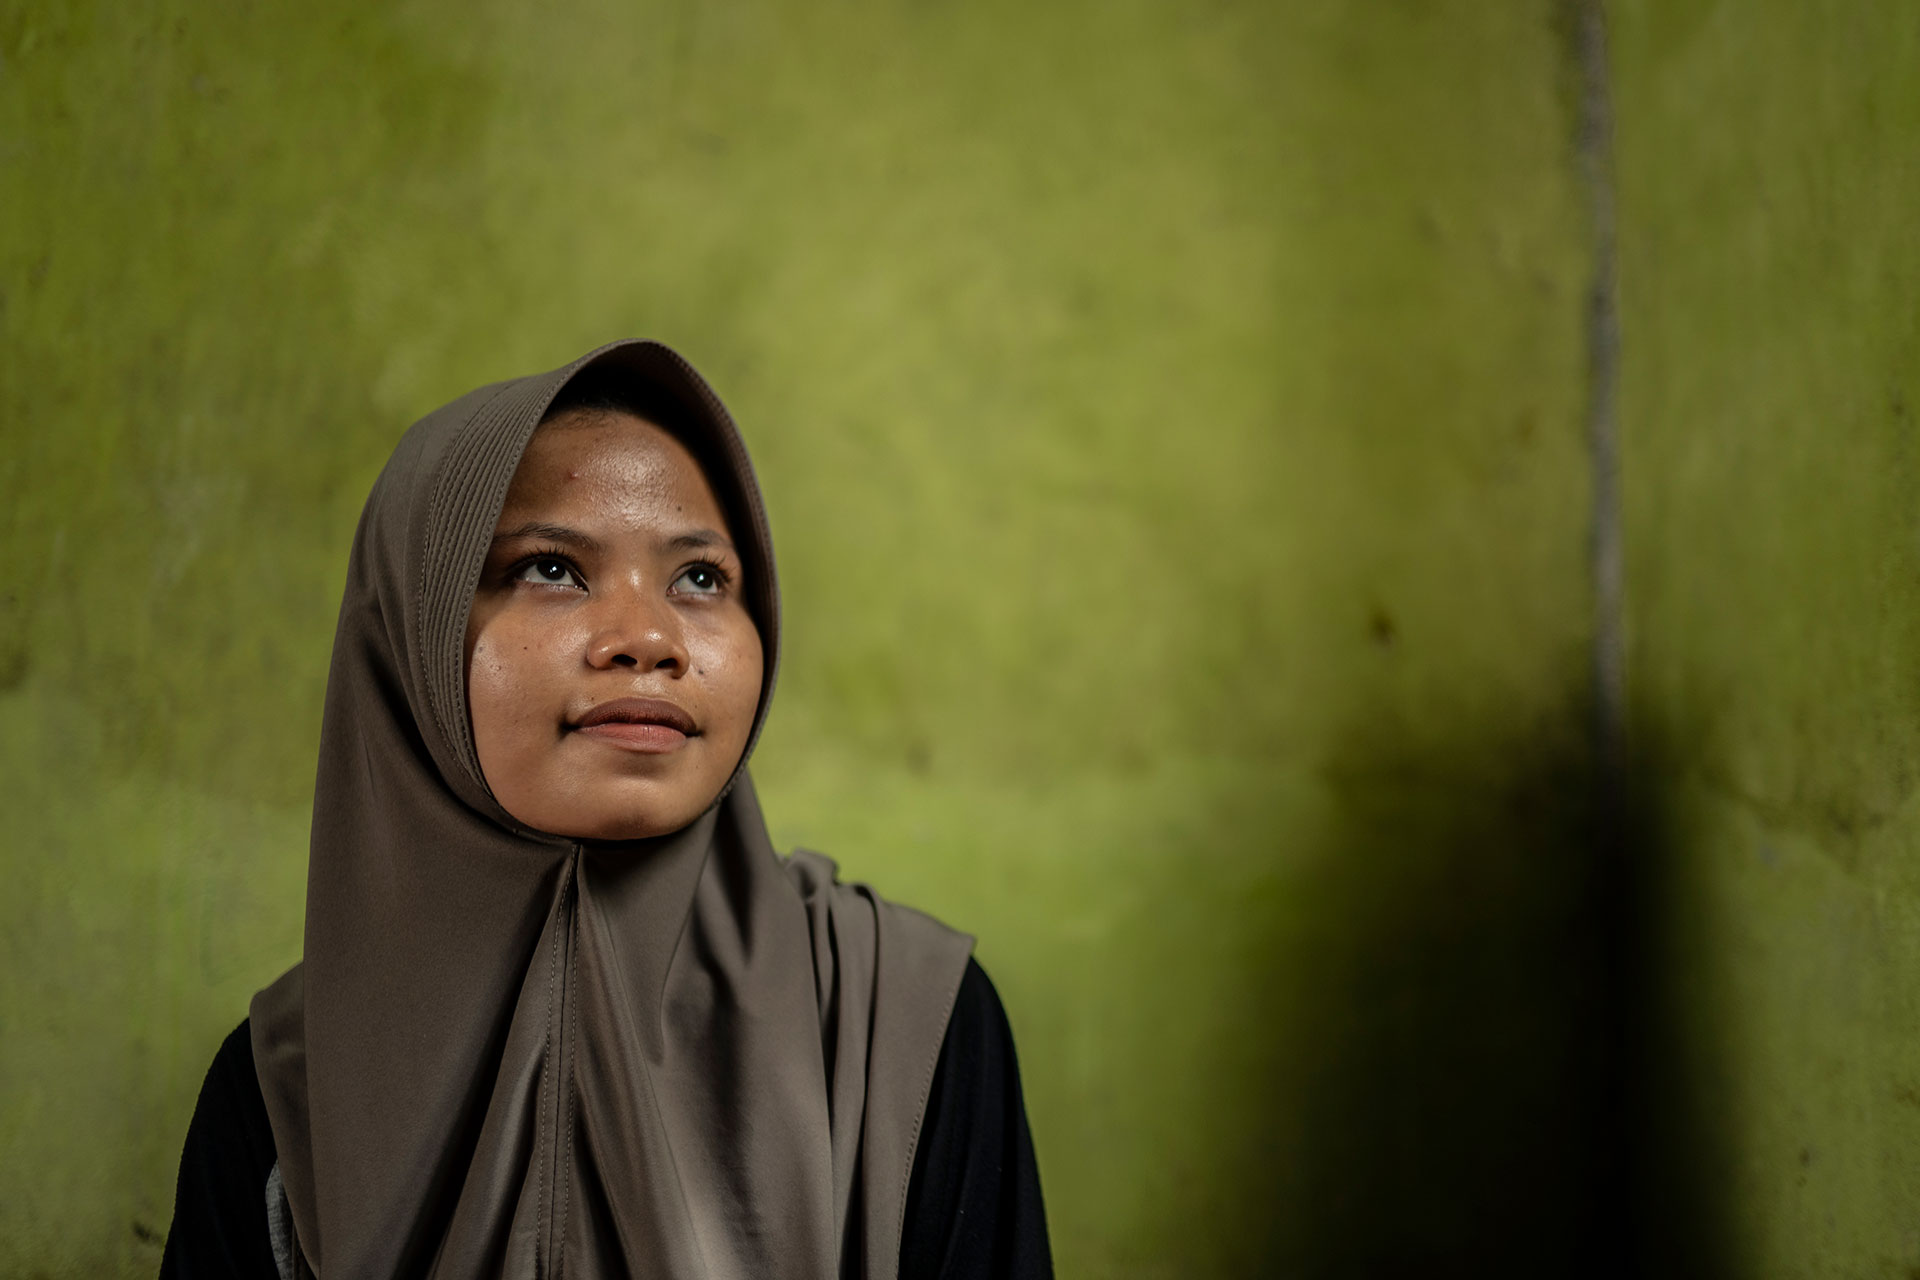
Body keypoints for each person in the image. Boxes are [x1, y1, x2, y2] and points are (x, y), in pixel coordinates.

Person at [158, 340, 1051, 1279]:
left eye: (701, 578)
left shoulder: (901, 1024)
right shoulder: (282, 1087)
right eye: (551, 569)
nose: (649, 640)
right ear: (411, 638)